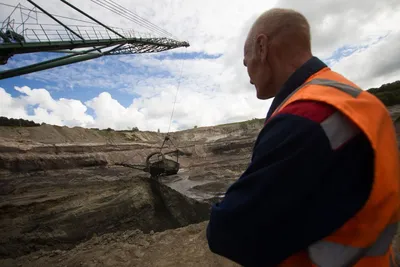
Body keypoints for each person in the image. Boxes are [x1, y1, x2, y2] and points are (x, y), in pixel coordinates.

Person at [206, 8, 400, 267]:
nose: (247, 71)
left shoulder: (306, 115)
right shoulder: (364, 103)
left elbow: (230, 233)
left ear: (262, 47)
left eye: (246, 61)